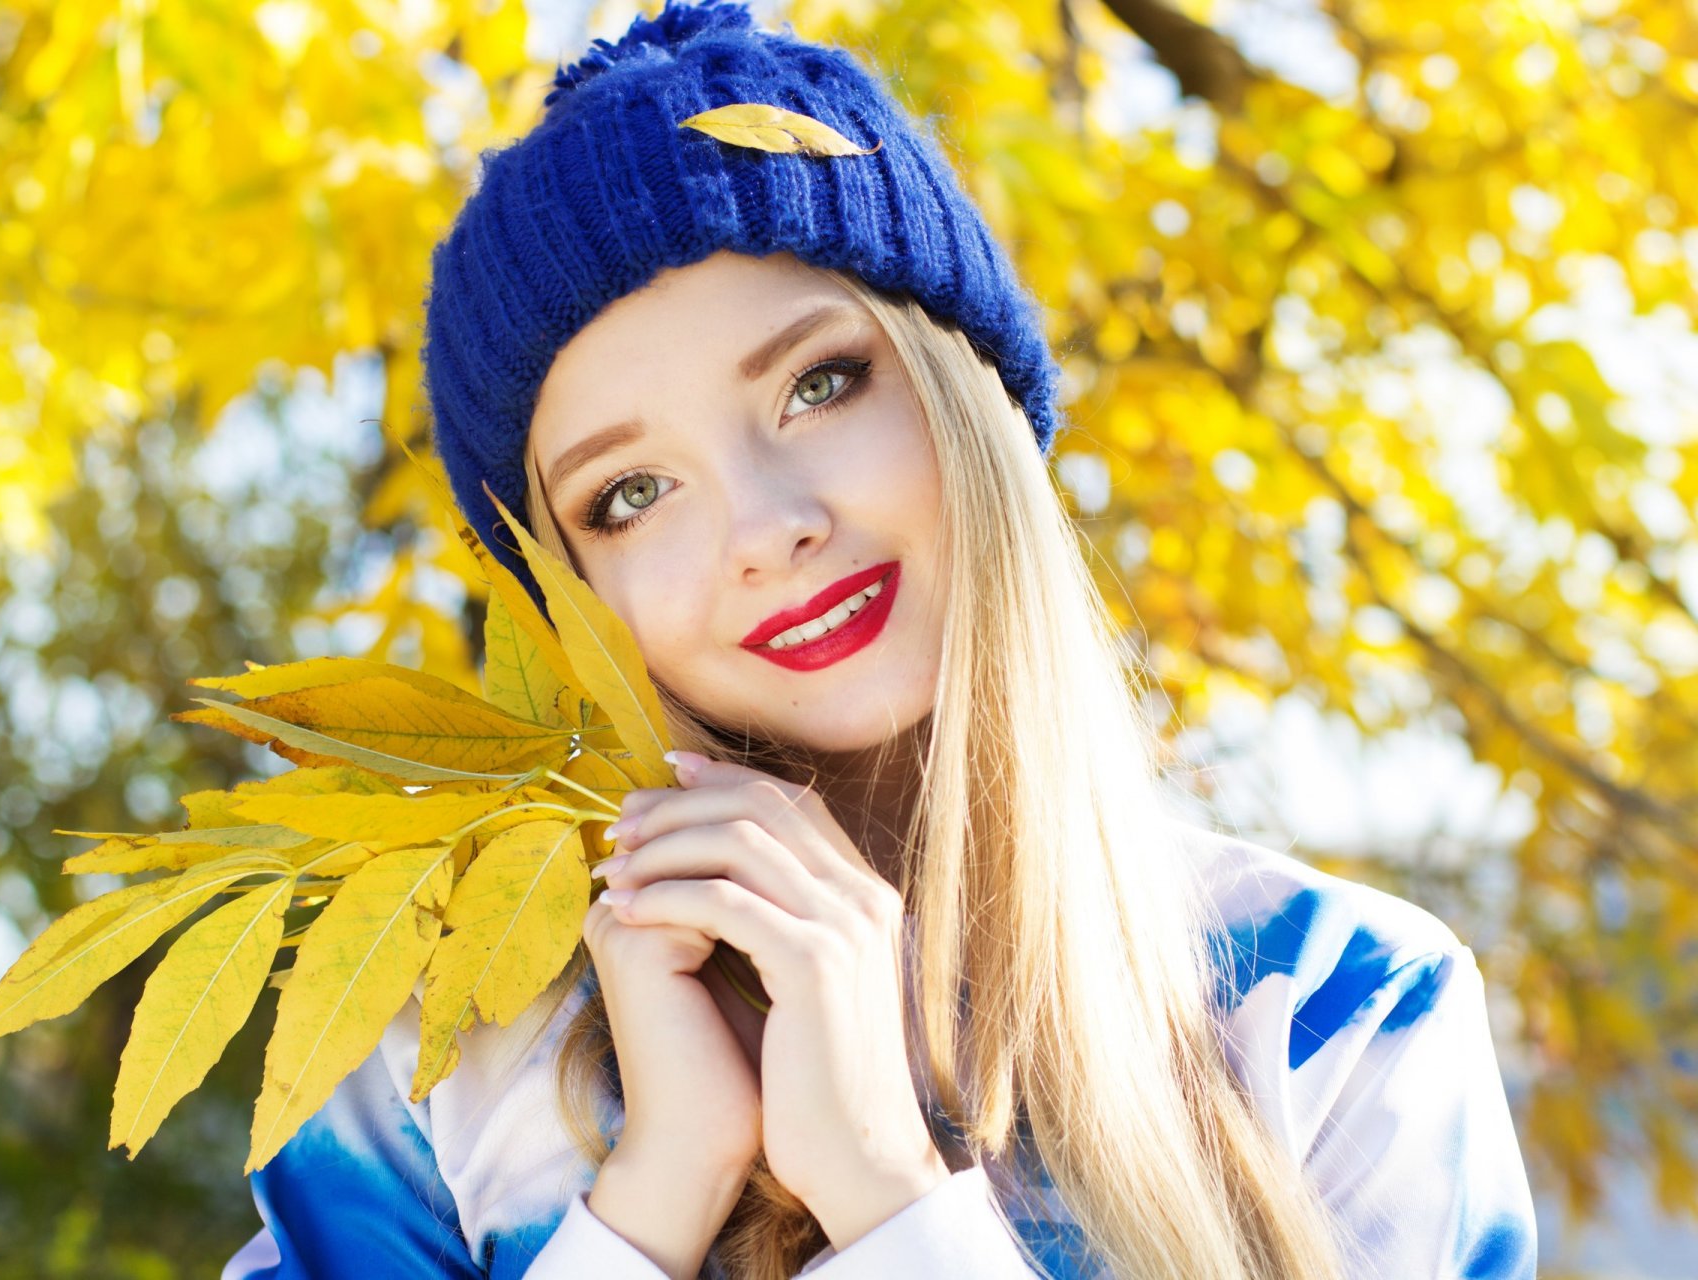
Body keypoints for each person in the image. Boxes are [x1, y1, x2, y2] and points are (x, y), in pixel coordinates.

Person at [222, 2, 1539, 1276]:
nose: (765, 525)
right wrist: (650, 1199)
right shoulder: (430, 1068)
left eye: (818, 383)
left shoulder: (1339, 1014)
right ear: (571, 601)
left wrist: (882, 1193)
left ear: (969, 393)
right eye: (630, 495)